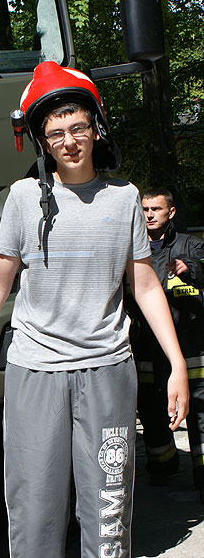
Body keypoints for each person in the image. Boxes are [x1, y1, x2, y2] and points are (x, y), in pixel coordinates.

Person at [0, 61, 189, 558]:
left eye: (78, 127)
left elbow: (144, 284)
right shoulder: (23, 198)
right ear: (42, 141)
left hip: (107, 368)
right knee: (35, 509)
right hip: (35, 370)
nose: (69, 140)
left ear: (96, 128)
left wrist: (176, 363)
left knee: (108, 510)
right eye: (55, 132)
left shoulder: (124, 198)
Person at [128, 187, 204, 499]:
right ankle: (163, 465)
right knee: (151, 413)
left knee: (200, 414)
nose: (149, 215)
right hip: (146, 349)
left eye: (156, 209)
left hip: (190, 350)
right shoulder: (130, 248)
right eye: (144, 210)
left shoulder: (191, 245)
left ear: (170, 212)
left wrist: (191, 269)